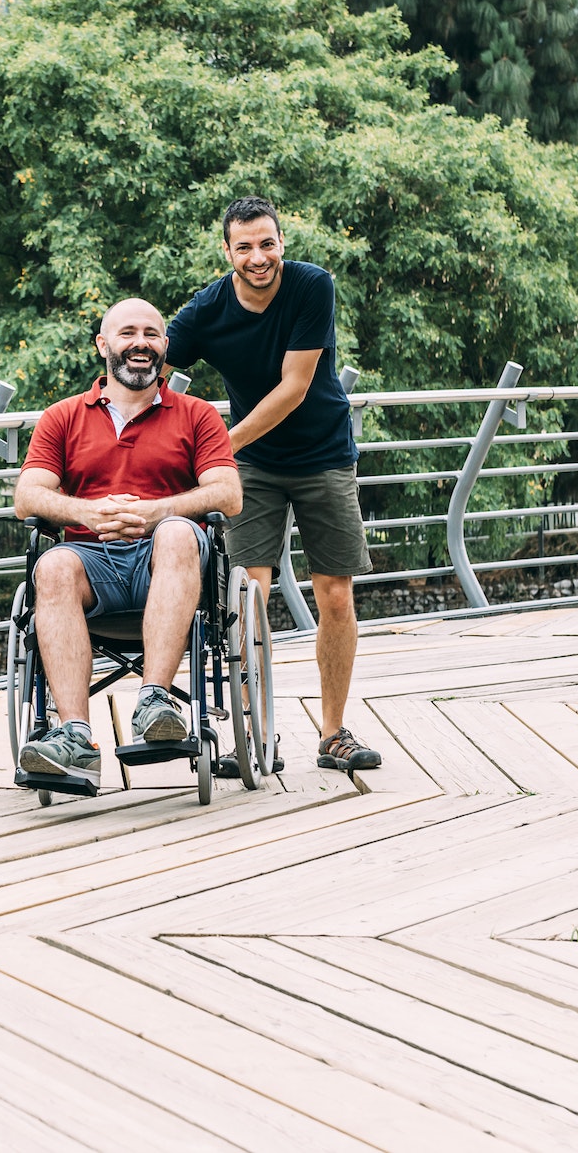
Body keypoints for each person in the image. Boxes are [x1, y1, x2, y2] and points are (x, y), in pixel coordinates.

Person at [166, 195, 383, 772]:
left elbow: (293, 387)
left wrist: (217, 448)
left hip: (323, 455)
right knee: (248, 598)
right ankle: (251, 736)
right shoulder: (208, 308)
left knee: (335, 594)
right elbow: (151, 367)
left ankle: (333, 734)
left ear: (281, 242)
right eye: (245, 247)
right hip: (253, 470)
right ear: (228, 251)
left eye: (268, 243)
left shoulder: (313, 286)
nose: (259, 257)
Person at [13, 298, 242, 786]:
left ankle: (155, 701)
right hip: (91, 563)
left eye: (152, 334)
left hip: (168, 561)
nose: (141, 343)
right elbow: (26, 496)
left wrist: (157, 512)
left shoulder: (197, 415)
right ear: (103, 345)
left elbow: (228, 492)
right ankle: (75, 736)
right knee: (51, 566)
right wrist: (87, 512)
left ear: (164, 347)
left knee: (180, 531)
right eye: (127, 333)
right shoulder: (63, 417)